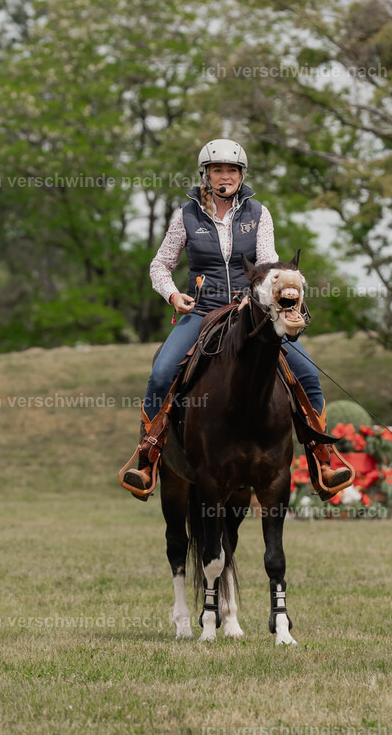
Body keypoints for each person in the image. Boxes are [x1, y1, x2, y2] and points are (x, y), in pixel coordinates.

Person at [120, 138, 353, 500]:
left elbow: (266, 263)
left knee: (306, 372)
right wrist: (171, 294)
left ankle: (323, 458)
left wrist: (272, 295)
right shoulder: (186, 215)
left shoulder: (258, 213)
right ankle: (146, 458)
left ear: (241, 175)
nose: (224, 176)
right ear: (206, 175)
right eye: (217, 170)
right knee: (162, 372)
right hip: (201, 312)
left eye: (231, 170)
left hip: (249, 312)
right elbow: (160, 264)